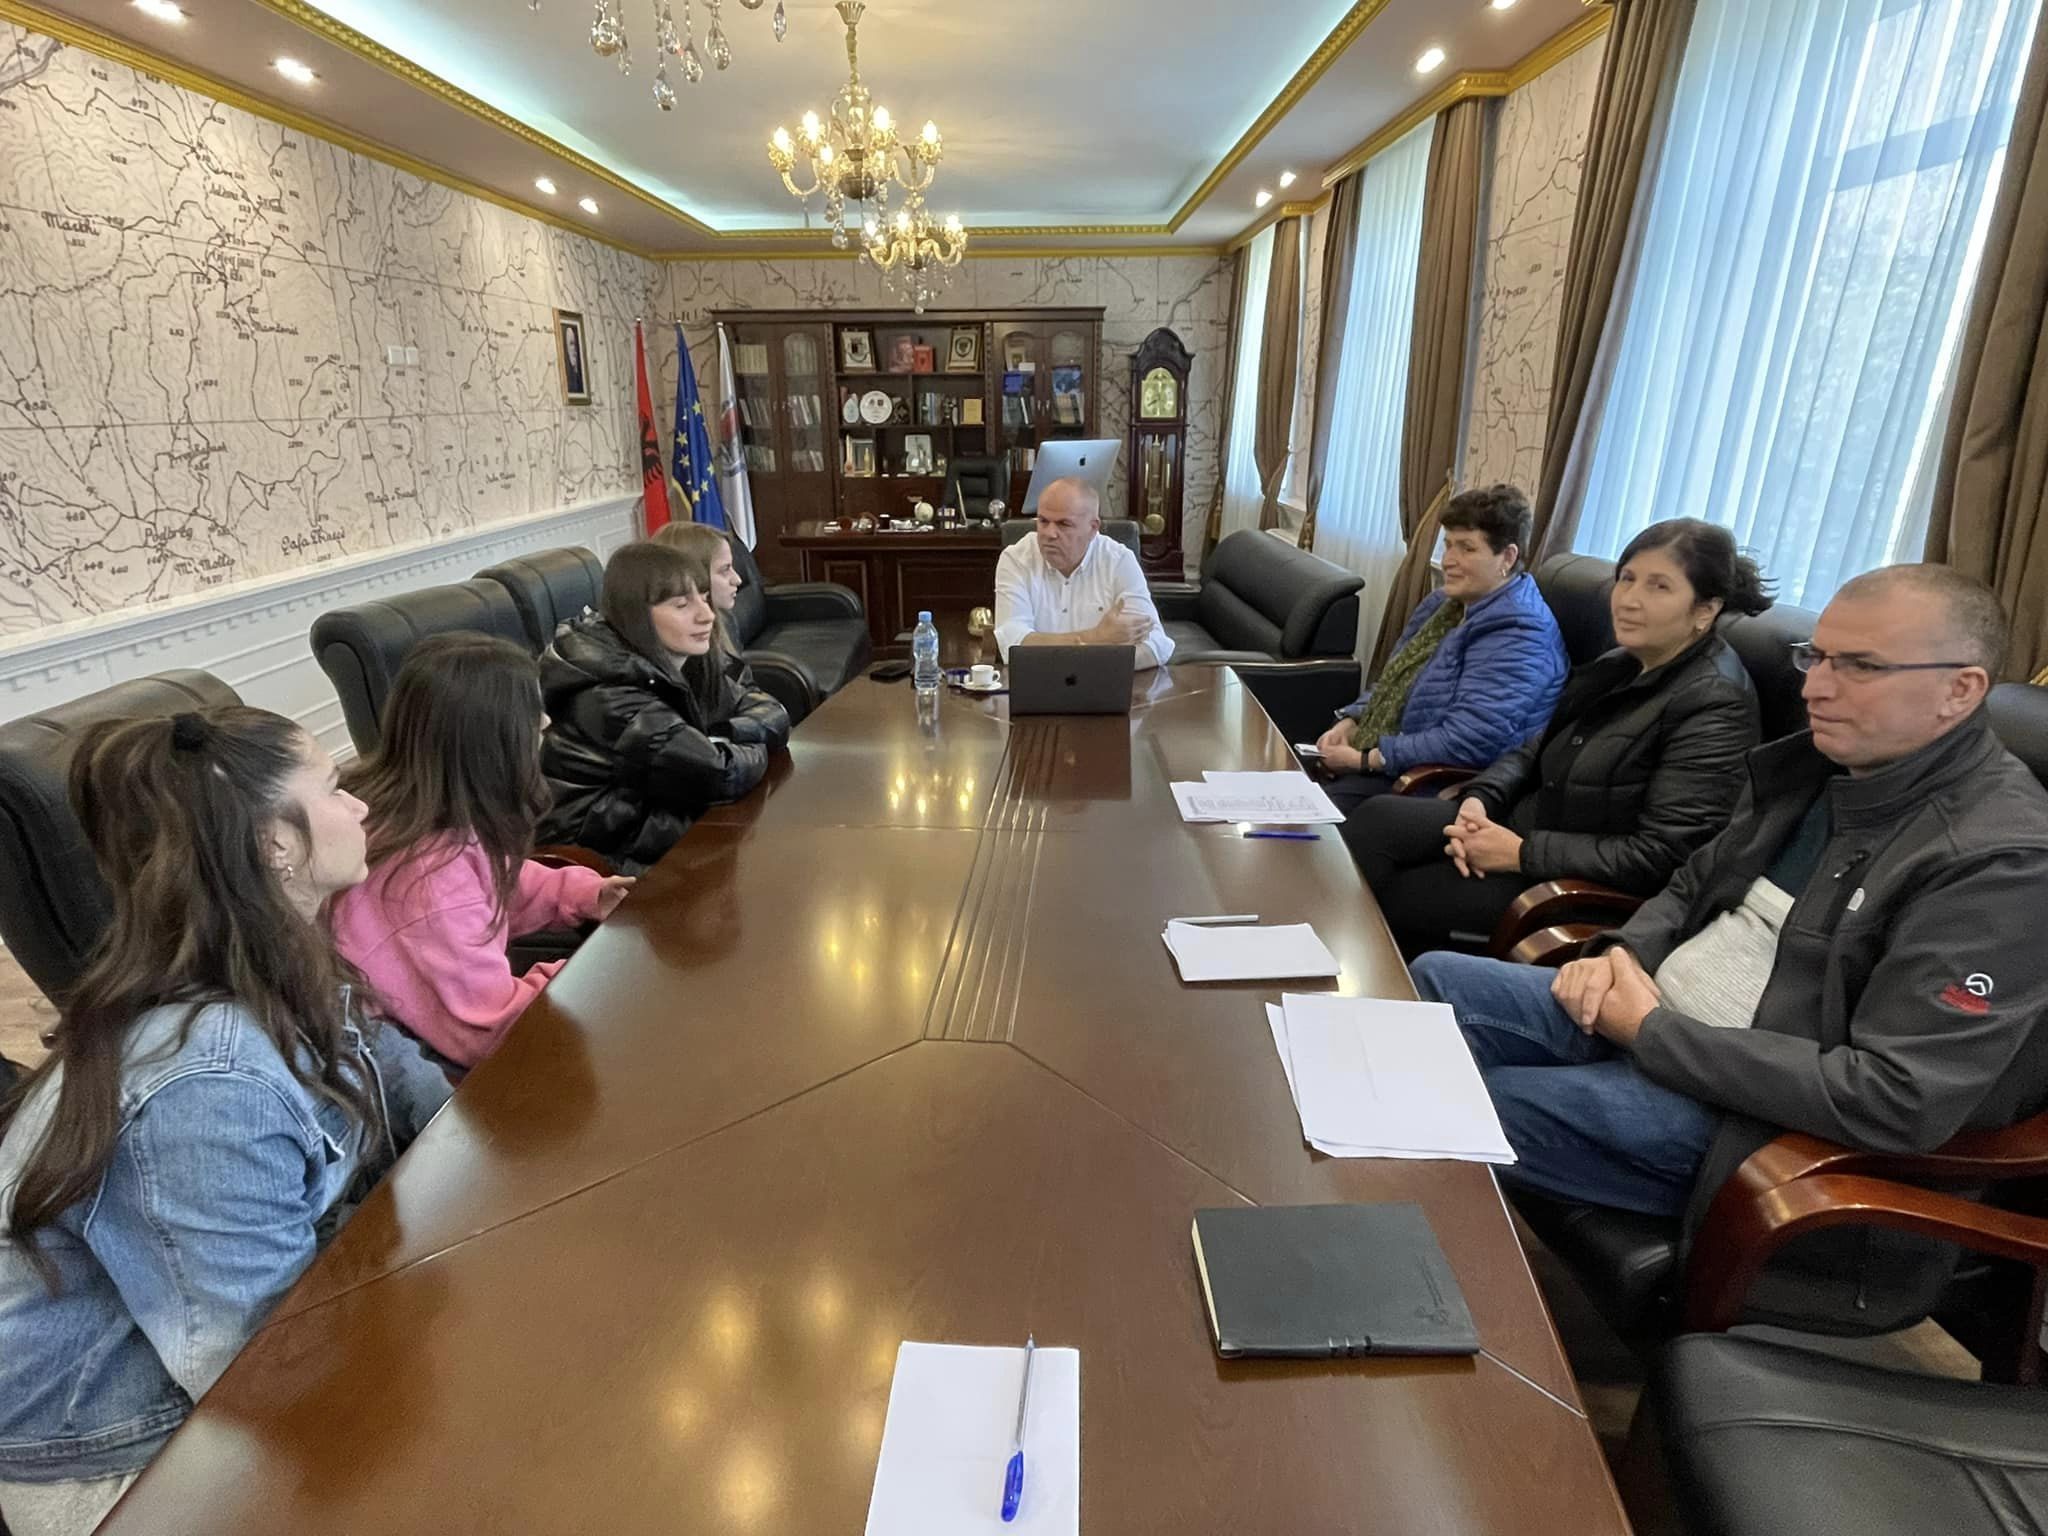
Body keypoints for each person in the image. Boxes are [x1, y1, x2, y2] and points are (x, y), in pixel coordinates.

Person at [1412, 564, 2048, 1226]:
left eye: (1860, 667)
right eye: (1816, 658)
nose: (1815, 688)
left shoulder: (2003, 862)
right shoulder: (1818, 765)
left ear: (1959, 690)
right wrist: (1624, 952)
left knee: (1469, 1105)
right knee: (1433, 984)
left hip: (1752, 1121)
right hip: (1655, 1019)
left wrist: (1653, 1034)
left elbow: (1896, 1096)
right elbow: (1691, 883)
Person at [0, 708, 452, 1536]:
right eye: (334, 787)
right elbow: (263, 1374)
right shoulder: (207, 1083)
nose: (359, 804)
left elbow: (416, 1097)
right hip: (119, 1459)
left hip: (241, 1361)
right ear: (274, 842)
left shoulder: (285, 960)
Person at [1350, 519, 1768, 956]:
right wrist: (1481, 799)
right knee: (1378, 818)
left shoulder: (1715, 703)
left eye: (1659, 587)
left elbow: (1663, 855)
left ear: (1705, 610)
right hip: (1523, 830)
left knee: (1398, 894)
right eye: (1627, 579)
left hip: (1574, 884)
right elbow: (1534, 748)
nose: (1629, 600)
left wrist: (1520, 853)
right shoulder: (1622, 662)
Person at [330, 634, 636, 1071]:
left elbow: (492, 879)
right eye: (529, 714)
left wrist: (584, 894)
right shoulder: (429, 873)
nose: (545, 722)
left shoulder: (413, 807)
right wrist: (597, 972)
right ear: (491, 740)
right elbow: (493, 1030)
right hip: (420, 1067)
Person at [539, 540, 790, 872]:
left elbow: (770, 710)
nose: (707, 615)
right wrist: (749, 743)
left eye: (704, 598)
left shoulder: (684, 659)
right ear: (636, 614)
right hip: (603, 861)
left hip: (664, 828)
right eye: (682, 605)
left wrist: (726, 734)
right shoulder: (607, 693)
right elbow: (720, 775)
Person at [1315, 484, 1568, 812]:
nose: (1449, 561)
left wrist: (1365, 760)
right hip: (1395, 758)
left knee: (1311, 817)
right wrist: (1351, 722)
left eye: (1467, 548)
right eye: (1448, 545)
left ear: (1507, 557)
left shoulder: (1522, 632)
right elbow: (1393, 683)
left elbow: (1468, 739)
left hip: (1438, 783)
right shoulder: (1442, 604)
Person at [992, 476, 1173, 670]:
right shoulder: (1016, 559)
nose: (1049, 534)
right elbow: (1012, 644)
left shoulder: (1118, 560)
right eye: (1043, 521)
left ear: (1093, 528)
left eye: (1064, 524)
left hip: (1103, 683)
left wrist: (1084, 665)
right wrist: (1099, 638)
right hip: (1037, 682)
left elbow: (1157, 645)